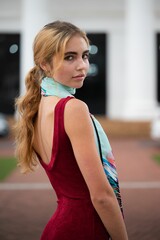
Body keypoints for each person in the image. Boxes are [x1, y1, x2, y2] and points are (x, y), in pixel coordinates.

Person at [14, 20, 128, 240]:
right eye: (69, 57)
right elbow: (102, 196)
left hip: (58, 229)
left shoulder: (37, 108)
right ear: (45, 63)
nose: (82, 65)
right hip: (86, 228)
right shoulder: (73, 109)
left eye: (85, 55)